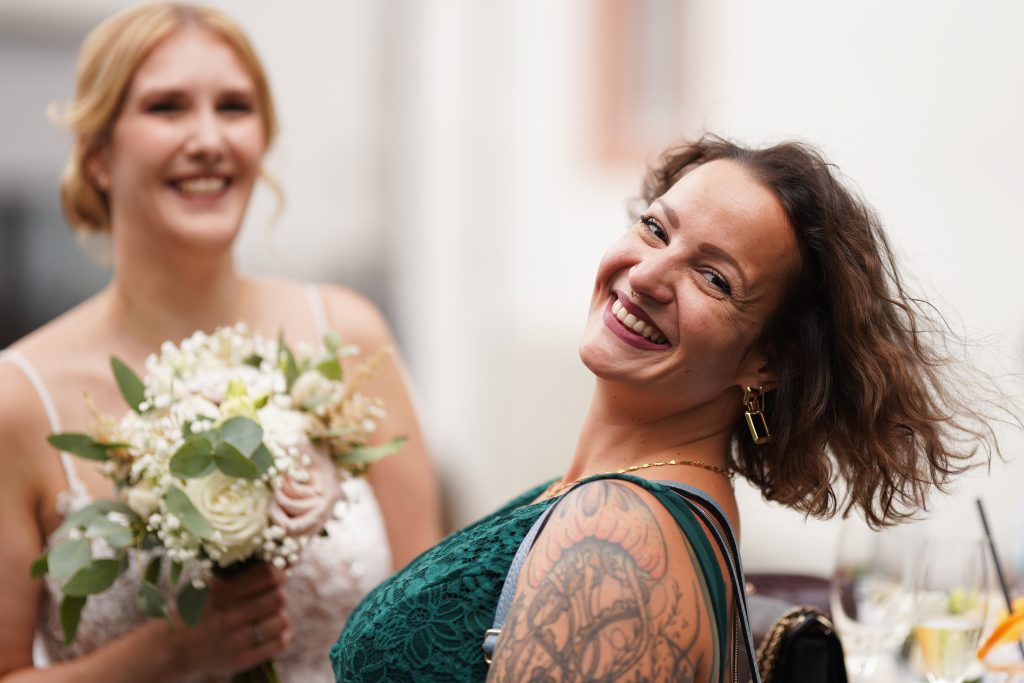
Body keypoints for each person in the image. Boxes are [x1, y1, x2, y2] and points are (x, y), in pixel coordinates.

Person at [331, 136, 998, 681]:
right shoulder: (607, 499)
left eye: (713, 278)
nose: (648, 274)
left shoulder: (619, 537)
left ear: (766, 359)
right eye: (655, 229)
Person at [0, 3, 442, 681]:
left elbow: (430, 623)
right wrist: (167, 652)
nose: (208, 138)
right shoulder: (19, 401)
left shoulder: (350, 339)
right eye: (167, 107)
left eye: (234, 107)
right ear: (97, 155)